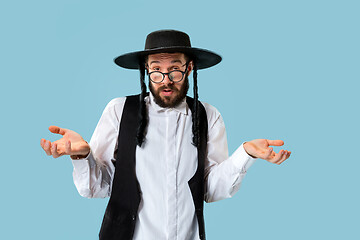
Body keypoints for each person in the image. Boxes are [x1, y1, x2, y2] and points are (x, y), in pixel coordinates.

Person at [40, 30, 291, 240]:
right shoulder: (119, 111)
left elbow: (210, 190)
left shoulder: (208, 116)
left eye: (175, 69)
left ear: (189, 68)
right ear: (146, 70)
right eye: (156, 70)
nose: (166, 80)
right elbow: (97, 187)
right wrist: (82, 156)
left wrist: (245, 154)